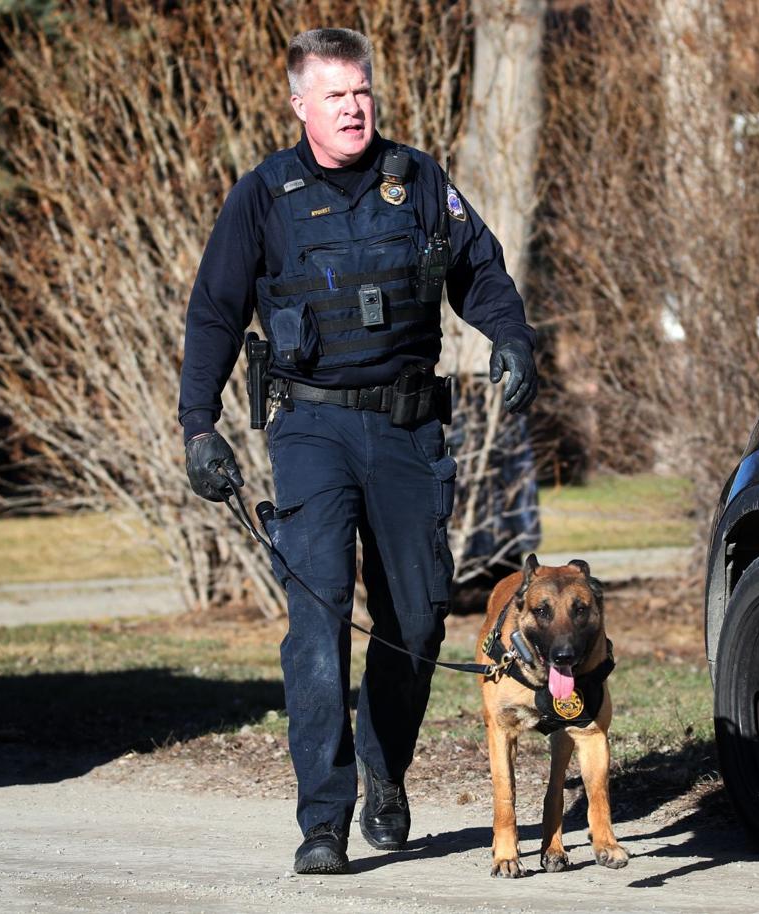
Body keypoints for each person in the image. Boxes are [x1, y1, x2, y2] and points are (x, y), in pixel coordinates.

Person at [177, 27, 537, 875]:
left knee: (417, 616)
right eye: (334, 95)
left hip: (409, 427)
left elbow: (480, 272)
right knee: (319, 617)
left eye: (363, 91)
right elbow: (214, 313)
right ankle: (323, 821)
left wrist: (511, 339)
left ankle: (382, 762)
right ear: (301, 105)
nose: (353, 107)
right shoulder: (262, 196)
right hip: (310, 428)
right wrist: (200, 425)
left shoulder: (416, 181)